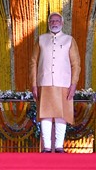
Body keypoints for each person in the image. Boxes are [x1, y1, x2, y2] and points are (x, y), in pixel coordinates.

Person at [29, 11, 81, 153]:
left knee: (61, 114)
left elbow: (76, 63)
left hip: (64, 83)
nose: (54, 23)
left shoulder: (69, 40)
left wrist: (74, 84)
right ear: (48, 23)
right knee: (45, 114)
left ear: (62, 23)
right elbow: (33, 62)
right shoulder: (41, 39)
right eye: (52, 21)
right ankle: (46, 147)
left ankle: (59, 146)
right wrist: (34, 84)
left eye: (57, 21)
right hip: (44, 82)